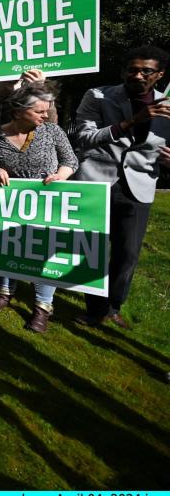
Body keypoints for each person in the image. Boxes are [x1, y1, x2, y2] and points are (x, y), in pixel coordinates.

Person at [70, 46, 170, 328]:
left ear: (159, 75)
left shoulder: (168, 106)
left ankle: (114, 305)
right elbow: (85, 138)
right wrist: (130, 122)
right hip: (96, 180)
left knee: (128, 252)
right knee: (92, 248)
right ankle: (95, 308)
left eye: (146, 71)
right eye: (132, 69)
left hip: (139, 185)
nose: (137, 75)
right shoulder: (98, 95)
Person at [0, 82, 78, 333]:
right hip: (10, 203)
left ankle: (42, 307)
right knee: (8, 243)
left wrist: (61, 175)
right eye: (40, 111)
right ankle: (4, 291)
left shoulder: (52, 132)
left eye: (46, 111)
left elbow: (70, 161)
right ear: (18, 111)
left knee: (44, 252)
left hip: (46, 203)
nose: (46, 115)